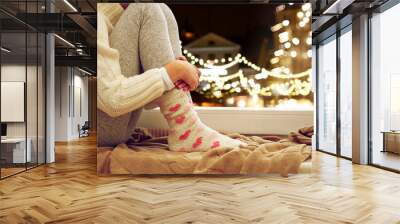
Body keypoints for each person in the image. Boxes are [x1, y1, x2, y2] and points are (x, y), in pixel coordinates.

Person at [97, 3, 244, 151]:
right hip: (99, 130)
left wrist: (174, 76)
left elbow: (148, 103)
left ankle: (187, 125)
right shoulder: (94, 17)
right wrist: (170, 73)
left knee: (161, 9)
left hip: (116, 127)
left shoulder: (112, 17)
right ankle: (187, 130)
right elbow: (112, 100)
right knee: (145, 8)